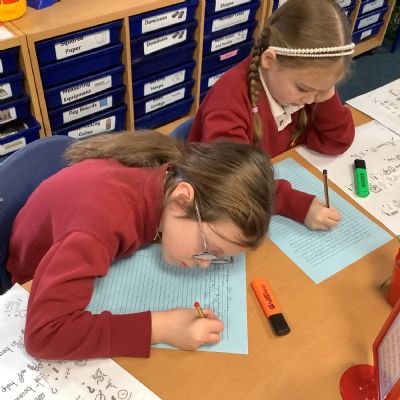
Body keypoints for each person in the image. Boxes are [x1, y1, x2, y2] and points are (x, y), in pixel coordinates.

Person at [6, 131, 275, 360]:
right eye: (210, 248)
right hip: (30, 278)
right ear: (182, 198)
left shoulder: (169, 175)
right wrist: (161, 327)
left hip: (66, 249)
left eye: (219, 257)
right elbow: (44, 334)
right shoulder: (99, 227)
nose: (205, 264)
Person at [189, 0, 355, 231]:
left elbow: (336, 142)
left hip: (272, 175)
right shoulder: (228, 102)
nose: (310, 100)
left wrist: (327, 94)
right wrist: (296, 204)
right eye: (304, 89)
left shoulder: (304, 89)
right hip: (223, 196)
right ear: (269, 60)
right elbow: (234, 180)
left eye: (322, 90)